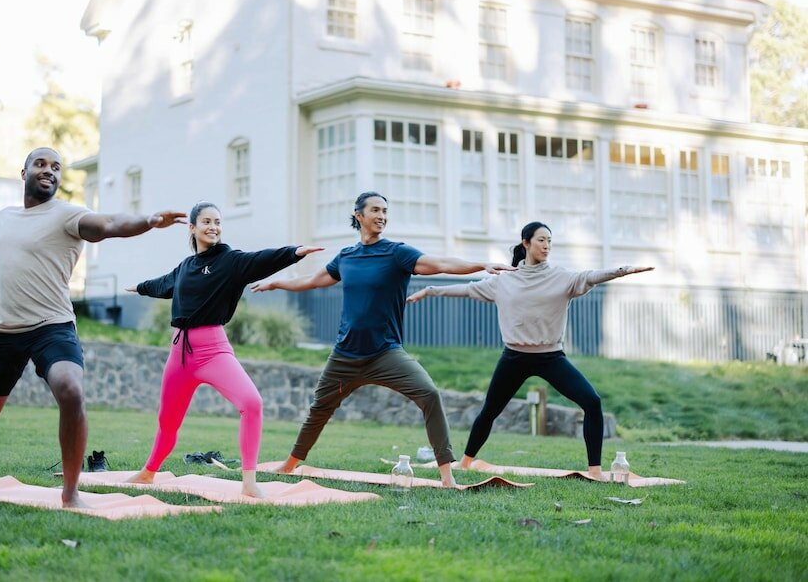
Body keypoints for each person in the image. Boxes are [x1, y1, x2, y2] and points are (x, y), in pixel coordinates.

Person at [0, 147, 186, 508]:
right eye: (41, 164)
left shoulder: (68, 215)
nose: (49, 170)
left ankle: (71, 493)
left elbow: (109, 225)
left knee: (71, 389)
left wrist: (148, 220)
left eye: (56, 167)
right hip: (1, 329)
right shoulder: (6, 218)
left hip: (52, 326)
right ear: (24, 172)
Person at [251, 192, 513, 487]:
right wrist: (276, 282)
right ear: (358, 215)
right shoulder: (346, 257)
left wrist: (480, 265)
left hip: (386, 353)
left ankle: (447, 476)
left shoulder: (397, 253)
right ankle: (290, 465)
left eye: (385, 211)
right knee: (319, 409)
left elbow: (439, 263)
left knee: (429, 395)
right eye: (375, 210)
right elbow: (311, 281)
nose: (382, 215)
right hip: (345, 356)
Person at [406, 221, 653, 478]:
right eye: (541, 240)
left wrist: (624, 270)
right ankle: (466, 463)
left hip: (551, 358)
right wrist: (430, 290)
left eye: (549, 241)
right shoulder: (504, 281)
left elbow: (589, 276)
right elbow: (467, 289)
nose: (546, 246)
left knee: (592, 402)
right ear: (526, 243)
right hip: (514, 358)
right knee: (489, 411)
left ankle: (595, 471)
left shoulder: (561, 277)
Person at [124, 201, 323, 498]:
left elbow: (260, 260)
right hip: (179, 354)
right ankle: (149, 472)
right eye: (206, 221)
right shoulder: (185, 267)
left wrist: (293, 253)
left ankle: (249, 483)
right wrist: (139, 287)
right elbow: (163, 284)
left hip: (213, 350)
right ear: (192, 228)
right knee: (168, 421)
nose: (213, 226)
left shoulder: (230, 261)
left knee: (252, 403)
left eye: (217, 221)